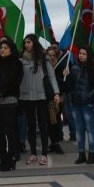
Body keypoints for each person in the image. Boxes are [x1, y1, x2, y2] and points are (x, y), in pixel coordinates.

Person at [19, 34, 61, 166]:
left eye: (29, 42)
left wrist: (56, 93)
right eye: (25, 42)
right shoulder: (21, 59)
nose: (26, 44)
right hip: (26, 96)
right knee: (30, 126)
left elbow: (52, 76)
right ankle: (33, 153)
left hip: (42, 95)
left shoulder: (44, 58)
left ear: (34, 43)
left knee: (43, 125)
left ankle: (44, 154)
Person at [0, 39, 24, 171]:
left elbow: (14, 81)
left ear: (11, 50)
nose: (2, 50)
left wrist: (0, 91)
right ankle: (3, 157)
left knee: (10, 131)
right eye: (1, 47)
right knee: (0, 133)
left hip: (9, 102)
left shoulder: (16, 63)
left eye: (5, 48)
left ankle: (12, 157)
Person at [65, 46, 94, 164]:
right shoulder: (75, 68)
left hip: (88, 104)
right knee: (79, 129)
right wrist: (67, 76)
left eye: (84, 54)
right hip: (76, 103)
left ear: (89, 55)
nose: (81, 55)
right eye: (80, 53)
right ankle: (81, 153)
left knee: (90, 129)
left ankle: (91, 153)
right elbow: (69, 86)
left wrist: (89, 95)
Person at [47, 46, 70, 153]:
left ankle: (55, 142)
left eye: (53, 56)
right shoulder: (43, 69)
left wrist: (67, 76)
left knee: (55, 122)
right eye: (49, 56)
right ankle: (53, 143)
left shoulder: (60, 68)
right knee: (50, 122)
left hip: (57, 100)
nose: (52, 58)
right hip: (46, 99)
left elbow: (66, 86)